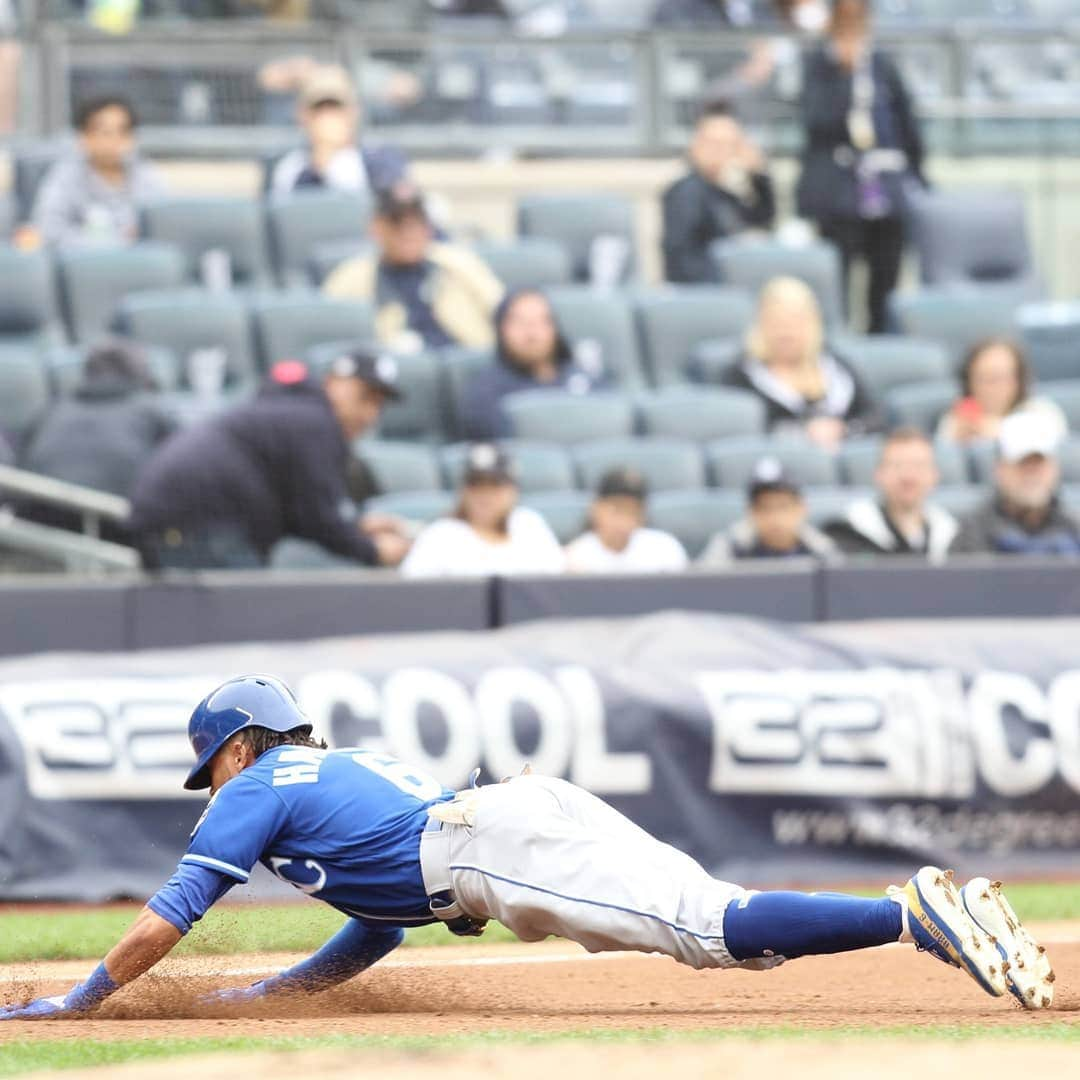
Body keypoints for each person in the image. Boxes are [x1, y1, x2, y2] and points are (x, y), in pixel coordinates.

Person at [0, 673, 1053, 1022]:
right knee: (719, 919)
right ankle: (919, 915)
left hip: (486, 847)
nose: (212, 784)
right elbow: (381, 921)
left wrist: (76, 1002)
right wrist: (283, 992)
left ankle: (911, 912)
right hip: (503, 823)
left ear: (233, 746)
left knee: (712, 931)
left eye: (212, 764)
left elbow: (169, 913)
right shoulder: (336, 772)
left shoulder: (259, 784)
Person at [129, 351, 410, 571]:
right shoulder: (315, 423)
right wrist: (373, 550)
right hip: (197, 526)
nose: (370, 415)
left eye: (379, 405)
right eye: (365, 397)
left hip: (178, 522)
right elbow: (318, 518)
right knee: (244, 629)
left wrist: (355, 527)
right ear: (332, 382)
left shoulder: (293, 414)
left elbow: (302, 512)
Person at [796, 0, 926, 333]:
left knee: (886, 278)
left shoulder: (882, 65)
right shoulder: (818, 65)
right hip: (839, 194)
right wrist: (845, 76)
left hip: (886, 191)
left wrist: (916, 176)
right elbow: (814, 123)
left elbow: (907, 124)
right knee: (838, 280)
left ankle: (880, 338)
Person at [323, 185, 504, 354]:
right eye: (397, 223)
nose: (409, 232)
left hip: (465, 363)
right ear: (376, 228)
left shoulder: (460, 263)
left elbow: (503, 310)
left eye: (417, 222)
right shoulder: (350, 278)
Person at [719, 276, 882, 448]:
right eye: (776, 322)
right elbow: (744, 432)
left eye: (795, 321)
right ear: (760, 325)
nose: (786, 331)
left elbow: (875, 418)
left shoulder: (835, 367)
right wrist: (802, 432)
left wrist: (844, 430)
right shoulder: (740, 376)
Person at [20, 338, 173, 512]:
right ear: (142, 377)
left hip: (37, 525)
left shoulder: (49, 411)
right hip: (119, 527)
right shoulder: (154, 412)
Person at [461, 290, 605, 442]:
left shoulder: (583, 378)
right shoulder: (485, 391)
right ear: (501, 329)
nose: (532, 333)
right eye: (520, 322)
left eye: (541, 321)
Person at [401, 444, 564, 578]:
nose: (485, 496)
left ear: (513, 491)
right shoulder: (441, 533)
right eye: (476, 486)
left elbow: (557, 583)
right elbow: (413, 592)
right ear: (463, 491)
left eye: (495, 487)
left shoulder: (529, 524)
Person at [29, 95, 166, 248]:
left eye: (123, 132)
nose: (115, 140)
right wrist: (116, 241)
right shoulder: (65, 176)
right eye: (105, 132)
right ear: (84, 137)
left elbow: (161, 226)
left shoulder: (144, 173)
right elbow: (48, 231)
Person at [662, 103, 776, 285]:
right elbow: (684, 263)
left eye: (730, 144)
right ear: (695, 144)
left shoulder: (726, 191)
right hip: (706, 294)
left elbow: (764, 222)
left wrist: (758, 177)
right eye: (713, 143)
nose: (720, 151)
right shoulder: (686, 193)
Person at [949, 412, 1080, 557]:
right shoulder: (973, 532)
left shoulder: (1073, 528)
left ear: (1054, 469)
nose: (1032, 475)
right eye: (1022, 465)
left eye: (1039, 464)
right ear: (1000, 469)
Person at [269, 64, 409, 197]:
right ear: (302, 116)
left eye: (335, 108)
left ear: (353, 113)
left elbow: (395, 210)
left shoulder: (381, 159)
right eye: (319, 110)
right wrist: (318, 166)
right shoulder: (288, 166)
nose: (327, 118)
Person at [823, 428, 958, 561]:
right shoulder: (847, 533)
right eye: (897, 465)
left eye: (919, 465)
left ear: (935, 475)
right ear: (878, 474)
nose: (908, 476)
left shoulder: (952, 535)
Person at [699, 458, 836, 565]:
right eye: (764, 508)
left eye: (783, 506)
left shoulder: (820, 550)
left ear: (801, 509)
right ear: (750, 512)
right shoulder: (730, 546)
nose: (775, 517)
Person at [936, 339, 1067, 447]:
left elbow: (1055, 442)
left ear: (1018, 380)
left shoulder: (1042, 411)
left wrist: (1000, 431)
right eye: (985, 378)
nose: (994, 388)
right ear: (969, 381)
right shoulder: (956, 419)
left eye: (1001, 377)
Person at [565, 467, 688, 574]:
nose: (623, 520)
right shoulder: (577, 555)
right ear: (596, 509)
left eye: (632, 511)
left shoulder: (665, 548)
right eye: (616, 509)